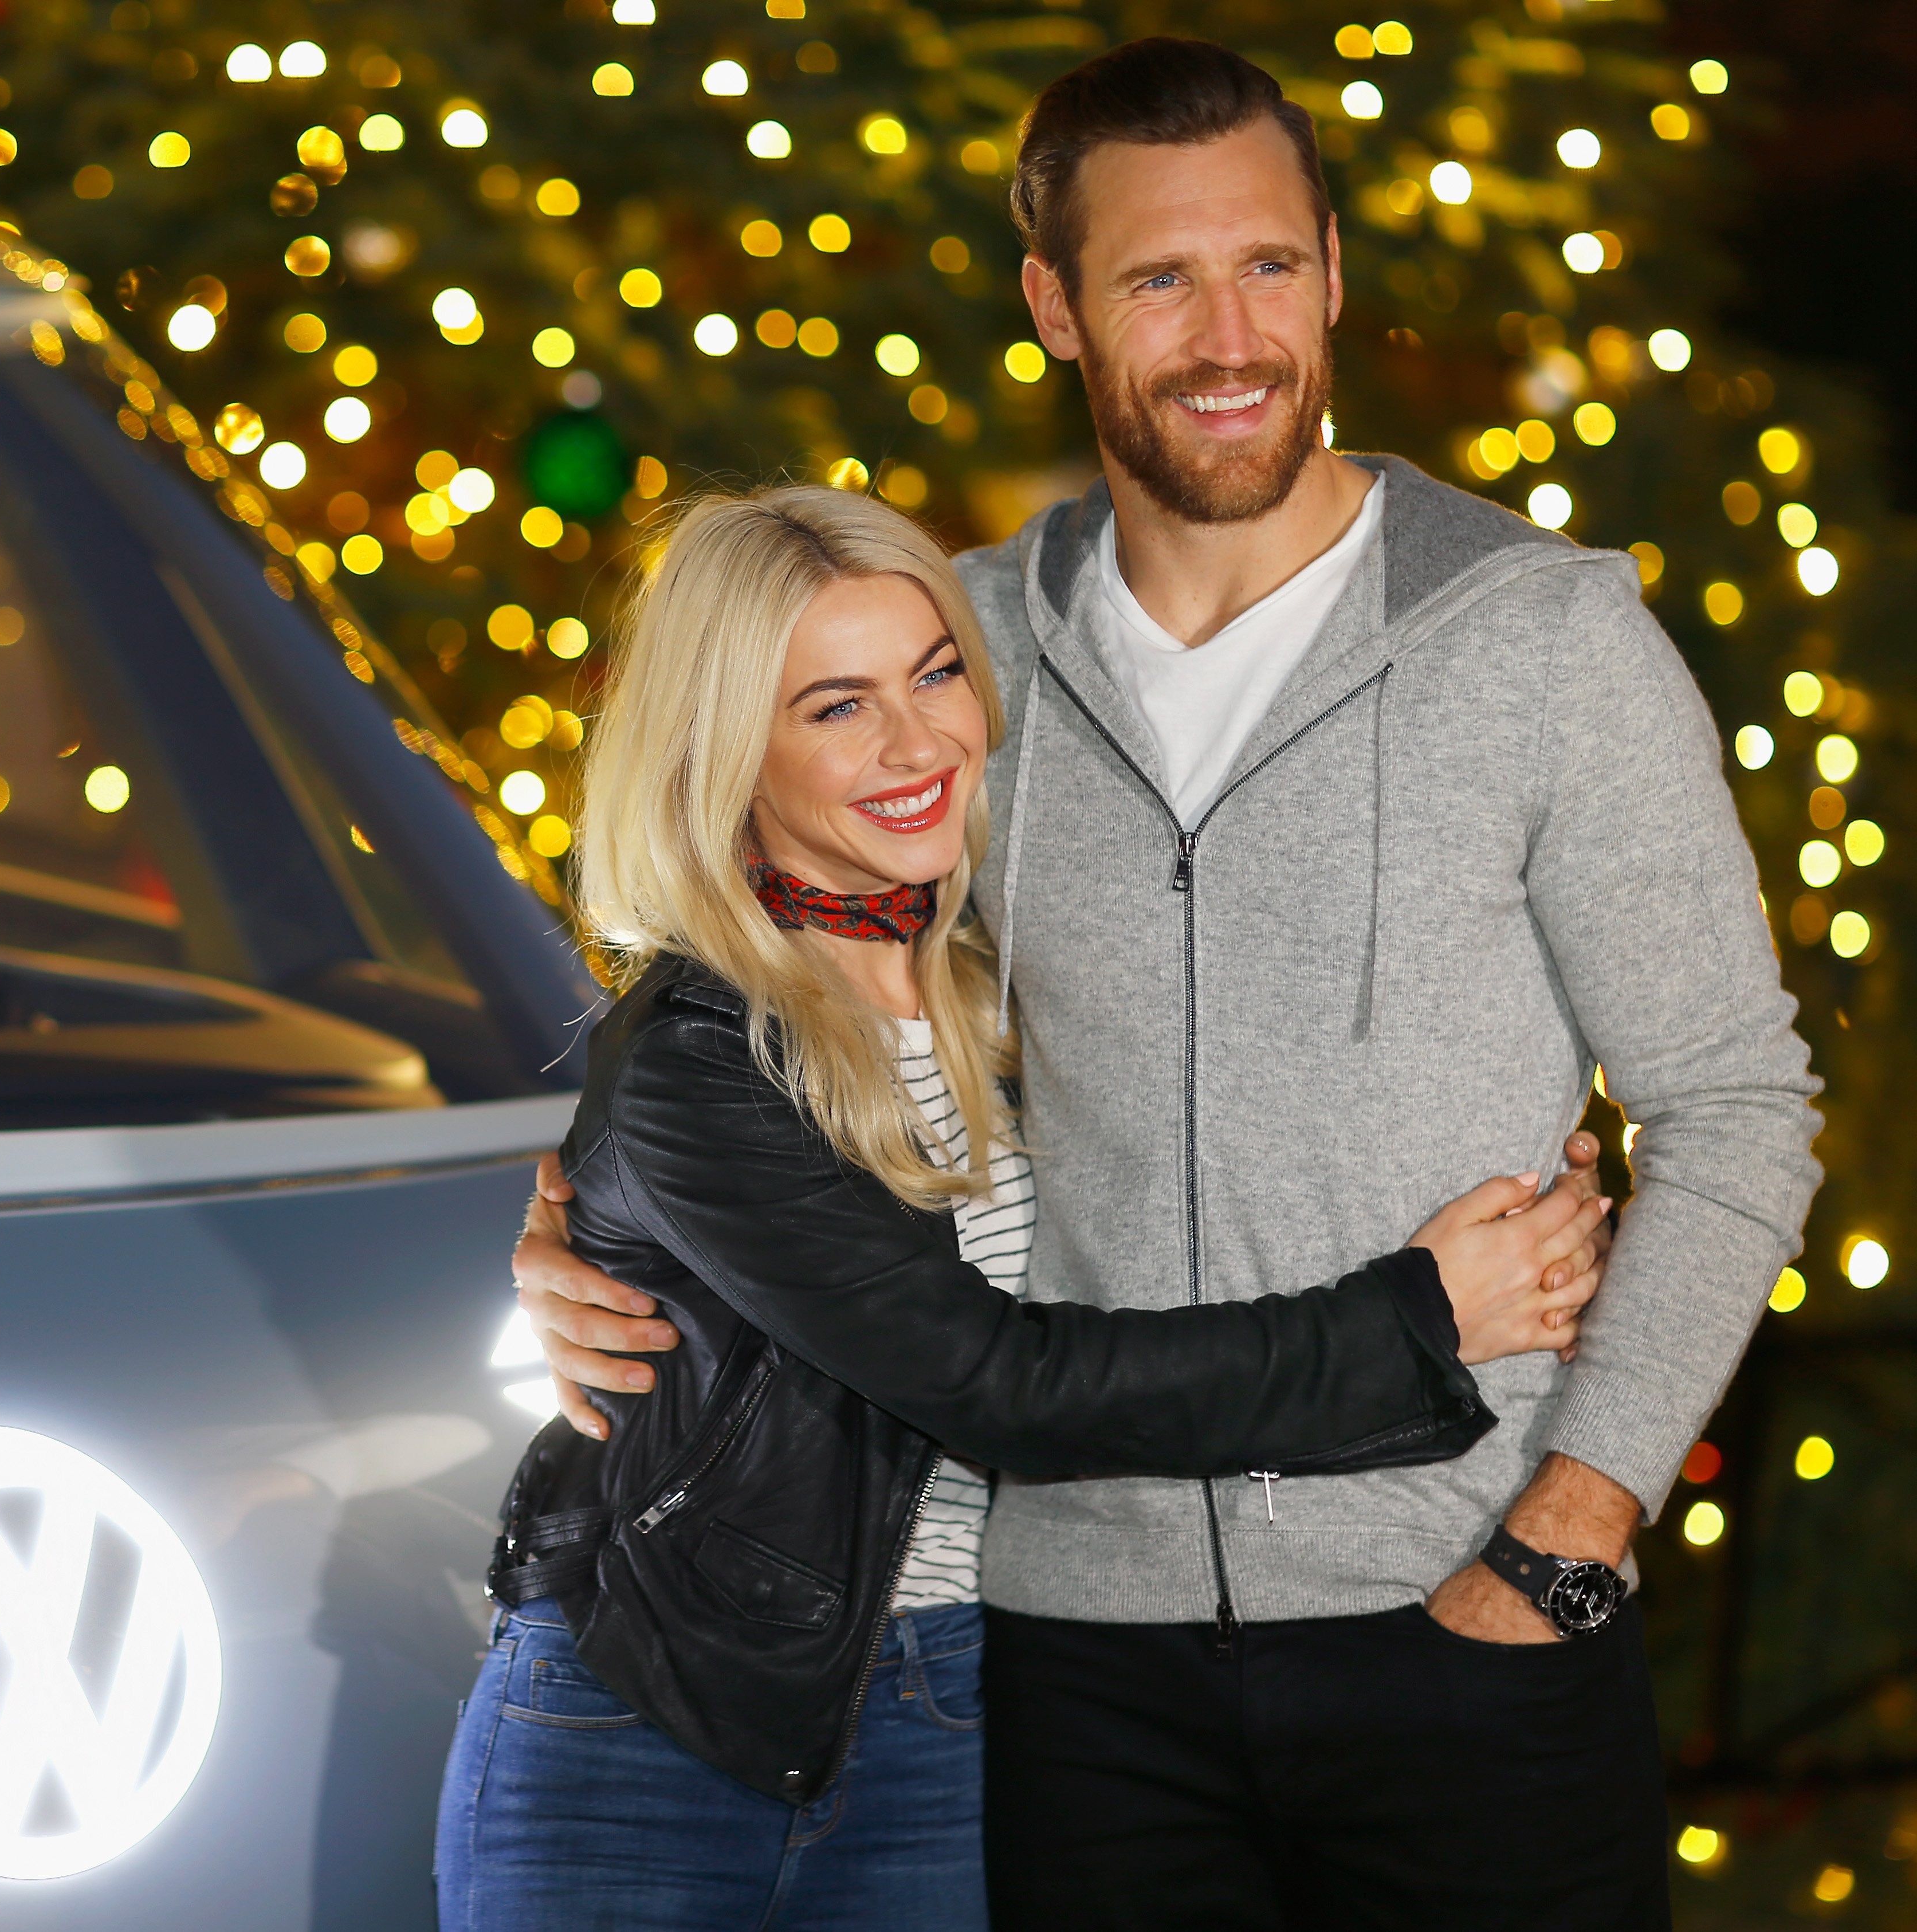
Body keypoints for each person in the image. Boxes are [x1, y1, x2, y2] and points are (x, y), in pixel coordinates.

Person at [513, 36, 1824, 1931]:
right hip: (1060, 1675)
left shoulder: (1541, 641)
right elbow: (745, 960)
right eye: (1156, 279)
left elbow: (1730, 1104)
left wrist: (1566, 1533)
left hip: (1463, 1628)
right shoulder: (957, 658)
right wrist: (590, 1228)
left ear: (1331, 274)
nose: (1229, 335)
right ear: (1053, 303)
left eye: (1267, 266)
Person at [443, 483, 1612, 1931]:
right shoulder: (703, 1056)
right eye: (836, 707)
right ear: (728, 749)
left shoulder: (1001, 983)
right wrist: (1420, 1318)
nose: (917, 742)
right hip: (655, 1724)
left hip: (950, 1713)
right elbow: (1003, 1387)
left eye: (936, 674)